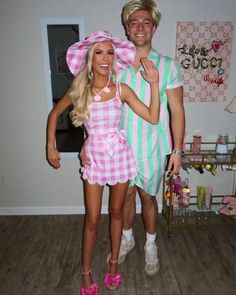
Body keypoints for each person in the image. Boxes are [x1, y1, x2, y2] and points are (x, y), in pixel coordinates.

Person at [46, 30, 160, 295]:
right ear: (90, 57)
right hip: (95, 159)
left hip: (120, 156)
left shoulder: (122, 89)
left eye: (110, 52)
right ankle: (85, 272)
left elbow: (153, 117)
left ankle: (112, 266)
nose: (105, 57)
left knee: (118, 213)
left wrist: (154, 84)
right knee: (93, 219)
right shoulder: (80, 88)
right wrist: (51, 146)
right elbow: (55, 114)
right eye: (99, 52)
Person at [80, 0, 185, 276]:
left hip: (151, 148)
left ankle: (151, 245)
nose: (140, 27)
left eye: (146, 22)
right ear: (127, 29)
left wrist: (177, 151)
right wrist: (86, 141)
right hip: (118, 149)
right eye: (134, 22)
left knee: (148, 199)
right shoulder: (114, 64)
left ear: (154, 27)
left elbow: (177, 110)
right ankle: (126, 239)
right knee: (124, 200)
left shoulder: (168, 66)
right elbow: (93, 106)